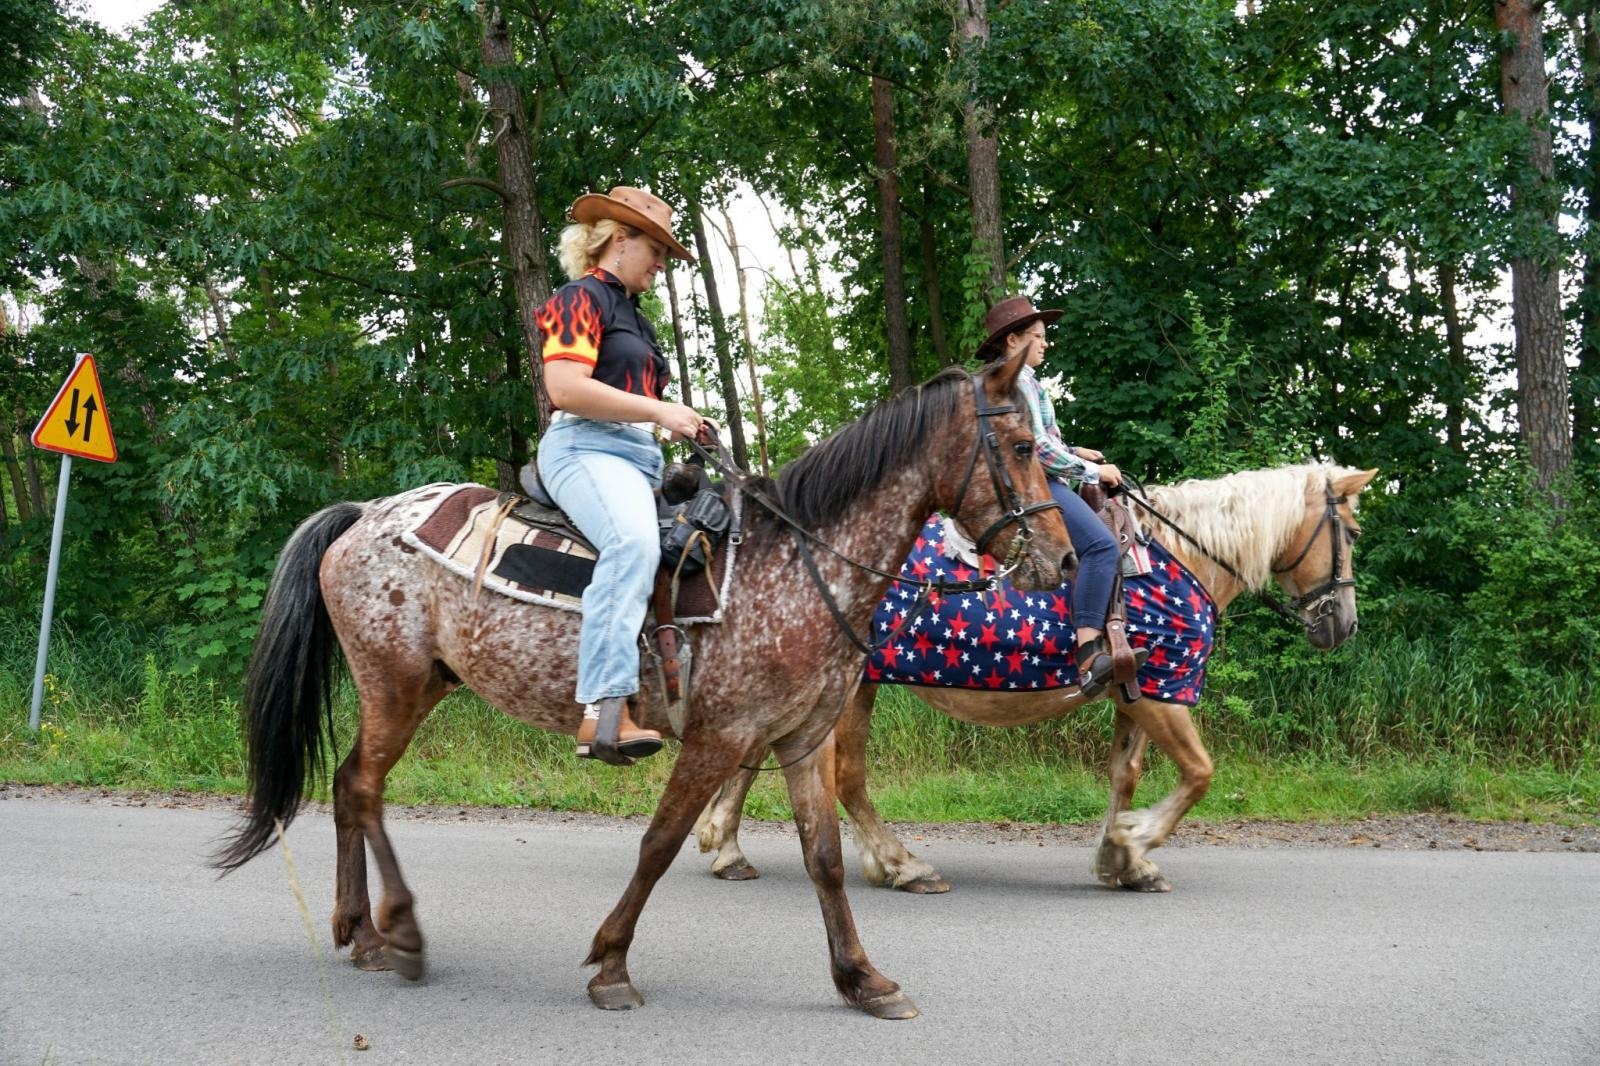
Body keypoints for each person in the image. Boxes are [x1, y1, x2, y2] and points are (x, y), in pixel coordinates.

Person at [534, 186, 708, 764]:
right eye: (656, 249)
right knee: (632, 542)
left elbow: (631, 395)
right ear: (619, 239)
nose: (662, 262)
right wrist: (661, 411)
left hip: (638, 457)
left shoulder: (635, 317)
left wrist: (677, 420)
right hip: (583, 447)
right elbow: (565, 388)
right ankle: (603, 711)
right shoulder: (578, 297)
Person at [978, 295, 1145, 697]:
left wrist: (1077, 452)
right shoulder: (1014, 381)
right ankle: (1088, 652)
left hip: (1044, 477)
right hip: (1034, 486)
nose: (1045, 343)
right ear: (1014, 340)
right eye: (1038, 336)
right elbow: (1035, 448)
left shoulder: (1026, 381)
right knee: (1103, 546)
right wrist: (1092, 470)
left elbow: (1049, 440)